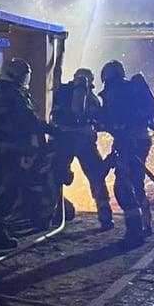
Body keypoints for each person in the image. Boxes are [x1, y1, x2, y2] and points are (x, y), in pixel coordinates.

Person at [0, 58, 57, 249]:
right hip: (7, 148)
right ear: (14, 74)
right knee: (7, 188)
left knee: (10, 187)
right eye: (23, 75)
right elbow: (26, 119)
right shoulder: (9, 93)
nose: (26, 78)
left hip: (9, 148)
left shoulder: (7, 91)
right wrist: (51, 129)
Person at [96, 60, 154, 246]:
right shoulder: (130, 90)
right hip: (138, 141)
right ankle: (145, 224)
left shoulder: (116, 93)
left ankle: (135, 230)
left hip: (129, 143)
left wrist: (99, 121)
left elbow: (112, 118)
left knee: (124, 186)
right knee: (135, 181)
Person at [50, 68, 114, 231]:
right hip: (86, 141)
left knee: (56, 175)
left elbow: (53, 114)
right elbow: (99, 120)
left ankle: (55, 212)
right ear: (91, 80)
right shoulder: (91, 98)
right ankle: (105, 214)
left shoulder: (62, 92)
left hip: (63, 140)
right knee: (96, 176)